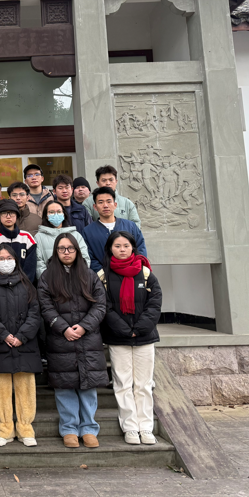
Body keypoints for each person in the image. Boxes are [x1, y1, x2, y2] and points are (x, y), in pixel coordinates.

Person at [38, 233, 108, 449]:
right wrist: (63, 328)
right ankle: (69, 428)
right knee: (64, 386)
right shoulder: (47, 277)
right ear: (56, 251)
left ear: (77, 251)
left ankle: (89, 429)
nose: (66, 252)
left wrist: (85, 326)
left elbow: (100, 305)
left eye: (70, 248)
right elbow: (45, 307)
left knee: (88, 385)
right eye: (62, 249)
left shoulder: (89, 275)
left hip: (88, 339)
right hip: (60, 340)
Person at [99, 231, 162, 446]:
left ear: (133, 247)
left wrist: (140, 328)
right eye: (117, 246)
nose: (122, 249)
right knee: (123, 384)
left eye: (126, 245)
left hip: (144, 337)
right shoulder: (103, 276)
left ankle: (145, 427)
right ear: (110, 249)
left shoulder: (145, 273)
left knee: (144, 384)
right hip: (118, 338)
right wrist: (124, 329)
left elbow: (155, 303)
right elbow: (104, 306)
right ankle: (130, 427)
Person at [0, 244, 42, 447]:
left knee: (26, 389)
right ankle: (5, 428)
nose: (5, 262)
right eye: (1, 258)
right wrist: (4, 335)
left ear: (16, 260)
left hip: (25, 345)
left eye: (9, 258)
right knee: (1, 390)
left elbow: (35, 313)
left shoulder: (27, 284)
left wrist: (21, 336)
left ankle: (26, 428)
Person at [81, 187, 147, 271]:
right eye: (101, 202)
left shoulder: (130, 226)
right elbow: (89, 256)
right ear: (95, 207)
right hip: (103, 276)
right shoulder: (88, 231)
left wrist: (135, 268)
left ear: (115, 205)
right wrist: (101, 273)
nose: (105, 205)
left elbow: (140, 249)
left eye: (109, 201)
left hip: (131, 274)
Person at [34, 199, 91, 278]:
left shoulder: (76, 235)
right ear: (46, 216)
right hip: (51, 281)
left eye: (59, 212)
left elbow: (84, 258)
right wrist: (48, 279)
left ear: (64, 214)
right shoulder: (39, 237)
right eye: (51, 212)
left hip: (75, 280)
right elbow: (38, 263)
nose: (56, 215)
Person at [0, 200, 37, 285]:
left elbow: (30, 267)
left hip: (24, 285)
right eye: (4, 213)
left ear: (17, 215)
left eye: (12, 213)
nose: (8, 217)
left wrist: (24, 284)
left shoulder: (27, 237)